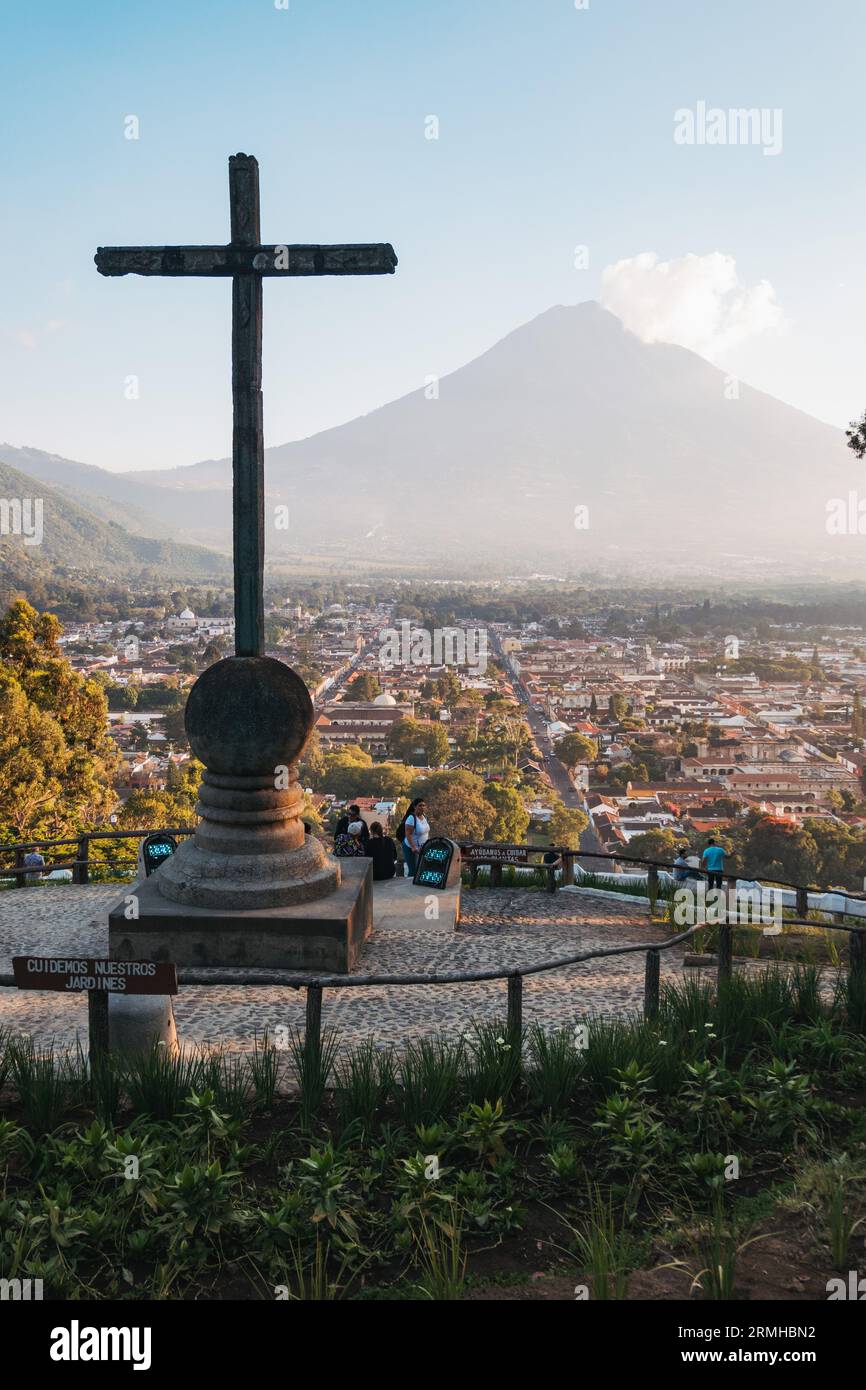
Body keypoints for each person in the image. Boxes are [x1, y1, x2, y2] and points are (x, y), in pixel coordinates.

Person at [401, 798, 430, 878]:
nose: (422, 807)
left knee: (422, 869)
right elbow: (408, 834)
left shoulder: (425, 817)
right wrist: (414, 847)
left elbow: (425, 832)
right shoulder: (411, 818)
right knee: (413, 870)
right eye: (420, 805)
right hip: (411, 848)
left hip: (422, 848)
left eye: (424, 805)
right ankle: (410, 888)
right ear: (414, 807)